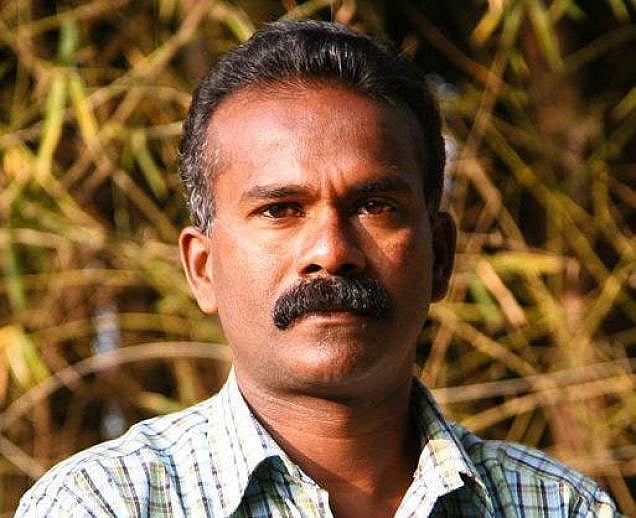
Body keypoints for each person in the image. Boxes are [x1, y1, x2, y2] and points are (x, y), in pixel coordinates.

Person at [17, 21, 619, 518]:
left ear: (439, 257)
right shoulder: (105, 503)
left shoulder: (558, 506)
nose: (331, 251)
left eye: (374, 206)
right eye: (280, 210)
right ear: (203, 268)